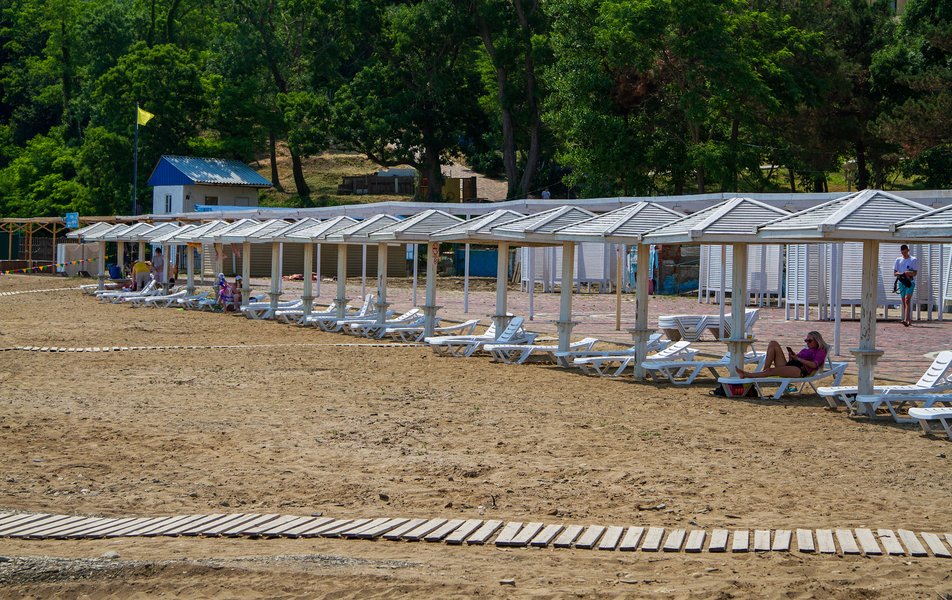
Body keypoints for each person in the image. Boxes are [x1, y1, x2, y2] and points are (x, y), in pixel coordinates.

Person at [734, 331, 829, 380]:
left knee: (771, 371)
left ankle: (747, 374)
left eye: (810, 341)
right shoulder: (806, 349)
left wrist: (799, 359)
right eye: (806, 340)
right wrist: (792, 357)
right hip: (792, 365)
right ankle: (764, 372)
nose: (807, 342)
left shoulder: (820, 351)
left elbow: (814, 365)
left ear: (817, 341)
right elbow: (795, 360)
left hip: (800, 370)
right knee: (773, 343)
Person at [894, 244, 918, 327]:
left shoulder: (913, 259)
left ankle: (905, 320)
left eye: (905, 252)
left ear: (908, 250)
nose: (904, 254)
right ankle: (908, 319)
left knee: (907, 299)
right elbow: (895, 272)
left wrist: (908, 273)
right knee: (904, 301)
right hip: (901, 282)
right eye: (902, 252)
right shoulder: (898, 260)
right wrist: (901, 274)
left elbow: (915, 273)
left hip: (910, 282)